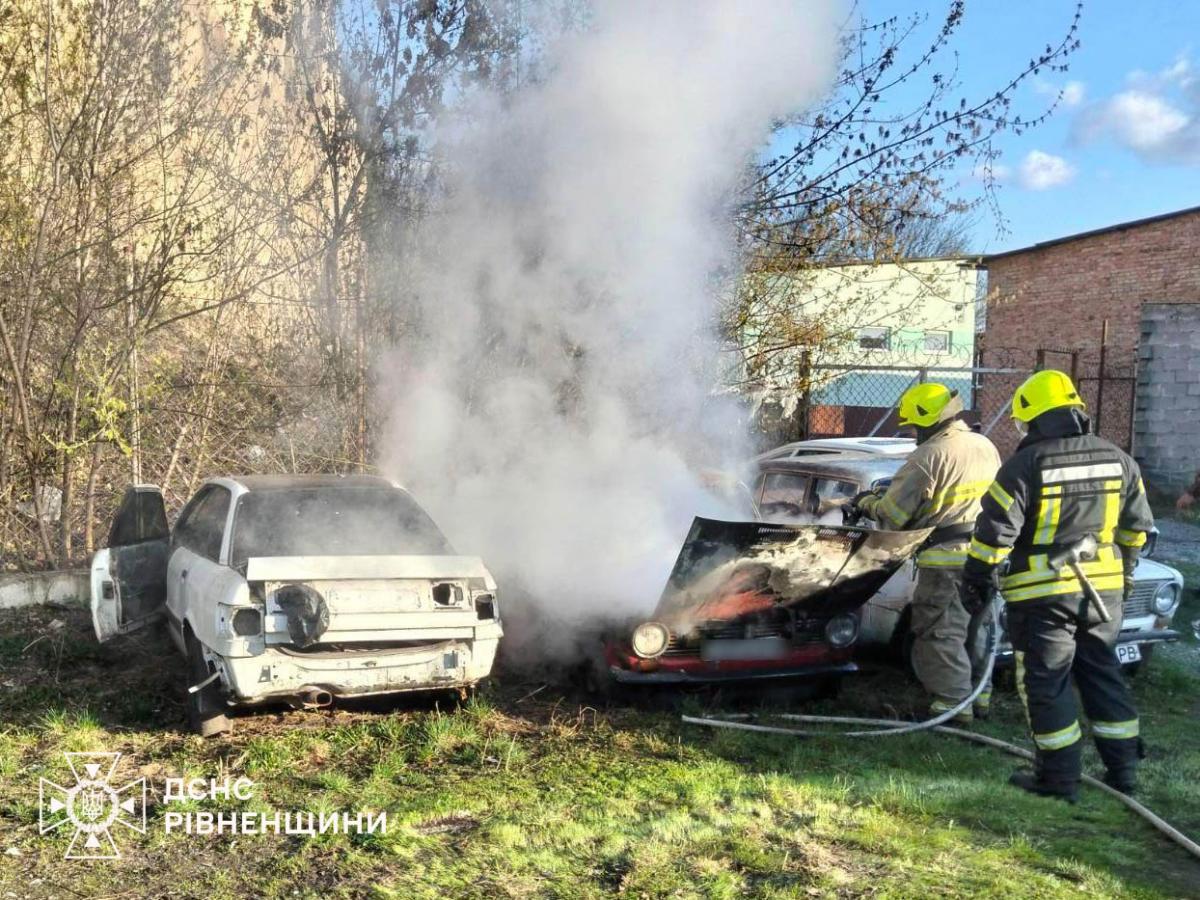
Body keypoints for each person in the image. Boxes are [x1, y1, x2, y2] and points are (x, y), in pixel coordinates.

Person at [962, 370, 1153, 802]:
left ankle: (1059, 780)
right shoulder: (1119, 458)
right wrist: (1122, 574)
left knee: (1048, 684)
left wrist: (976, 577)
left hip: (1042, 595)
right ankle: (1124, 773)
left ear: (1033, 418)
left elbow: (994, 534)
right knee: (1103, 674)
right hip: (1102, 595)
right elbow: (1136, 529)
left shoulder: (1025, 465)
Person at [850, 383, 1001, 721]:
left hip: (946, 561)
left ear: (929, 421)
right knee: (977, 627)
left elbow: (894, 515)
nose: (914, 432)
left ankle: (953, 704)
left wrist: (866, 502)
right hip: (986, 555)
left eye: (915, 425)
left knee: (940, 631)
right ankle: (980, 698)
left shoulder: (928, 457)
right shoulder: (984, 445)